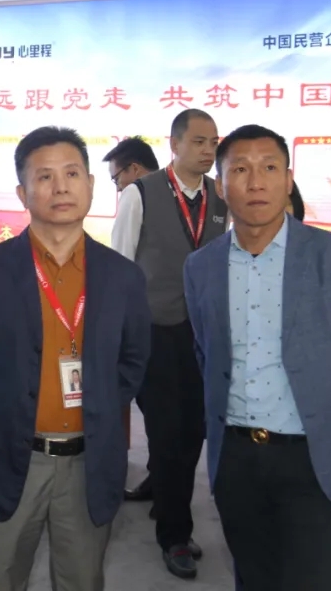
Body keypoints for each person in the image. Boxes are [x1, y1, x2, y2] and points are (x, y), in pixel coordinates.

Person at [184, 124, 331, 591]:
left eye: (269, 167)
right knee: (253, 576)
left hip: (314, 456)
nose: (256, 182)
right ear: (221, 186)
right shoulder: (200, 267)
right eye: (240, 169)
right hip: (237, 457)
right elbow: (206, 353)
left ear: (288, 179)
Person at [0, 126, 151, 591]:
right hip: (11, 456)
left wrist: (99, 404)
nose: (61, 187)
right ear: (23, 193)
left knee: (82, 580)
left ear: (91, 185)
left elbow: (133, 362)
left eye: (72, 173)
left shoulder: (123, 277)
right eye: (44, 177)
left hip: (89, 461)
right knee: (0, 579)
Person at [110, 108, 228, 579]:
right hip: (155, 330)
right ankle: (175, 534)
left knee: (194, 428)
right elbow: (121, 266)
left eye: (213, 143)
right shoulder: (140, 193)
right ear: (175, 144)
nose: (208, 150)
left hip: (202, 332)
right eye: (198, 141)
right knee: (165, 430)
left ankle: (167, 498)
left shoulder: (220, 195)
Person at [103, 135, 160, 505]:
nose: (117, 186)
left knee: (148, 402)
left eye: (116, 177)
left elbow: (121, 259)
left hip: (144, 320)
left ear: (134, 169)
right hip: (180, 322)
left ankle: (159, 479)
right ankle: (163, 479)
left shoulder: (136, 194)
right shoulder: (181, 194)